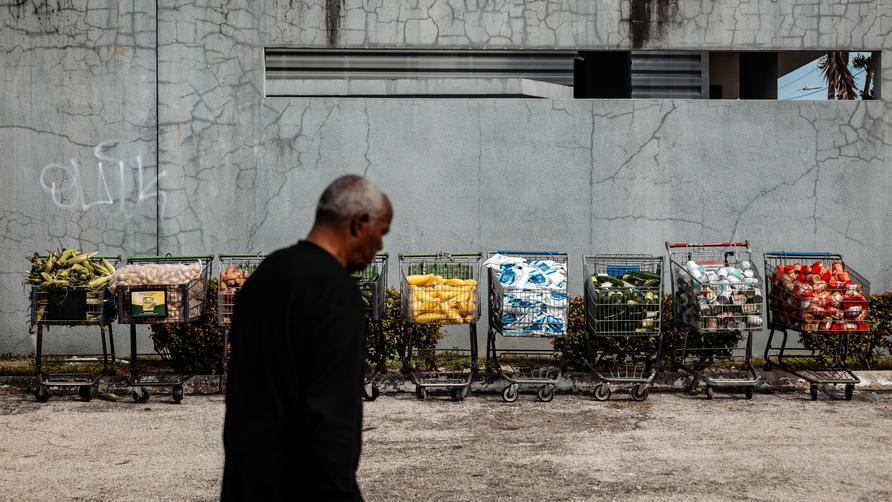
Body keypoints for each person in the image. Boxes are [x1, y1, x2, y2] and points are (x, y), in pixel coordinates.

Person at [221, 175, 392, 501]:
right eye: (380, 233)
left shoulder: (263, 277)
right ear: (358, 224)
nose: (380, 246)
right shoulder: (337, 294)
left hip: (244, 481)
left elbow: (240, 393)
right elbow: (331, 421)